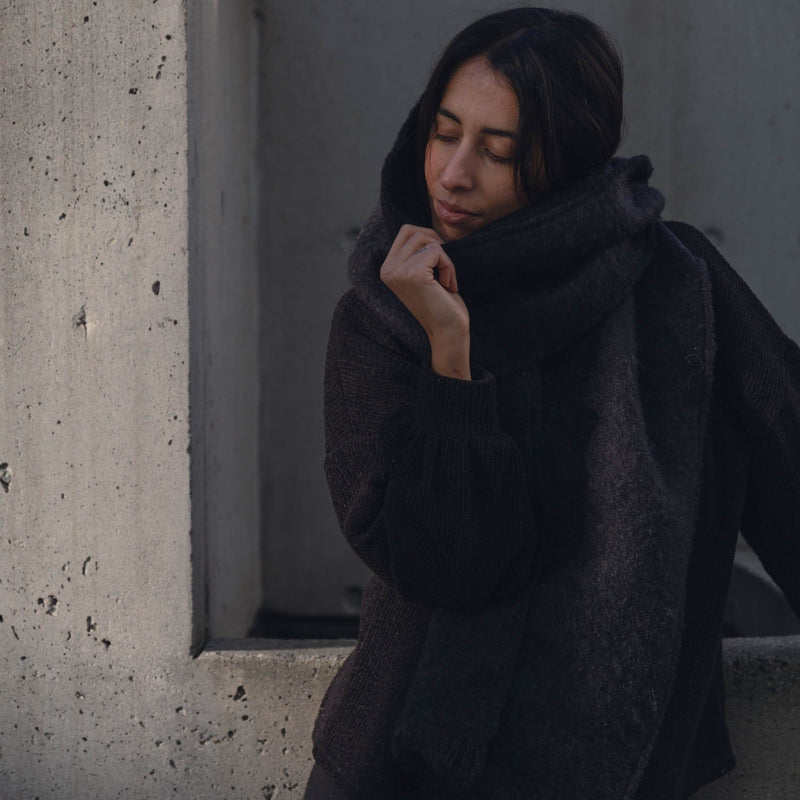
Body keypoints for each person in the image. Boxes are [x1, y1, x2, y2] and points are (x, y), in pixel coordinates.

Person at [304, 7, 800, 800]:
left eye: (497, 151)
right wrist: (451, 359)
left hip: (619, 765)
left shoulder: (679, 286)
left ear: (565, 160)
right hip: (398, 766)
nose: (453, 174)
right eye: (443, 133)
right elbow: (447, 568)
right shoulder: (383, 313)